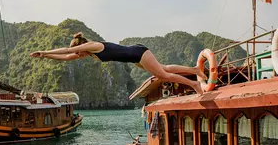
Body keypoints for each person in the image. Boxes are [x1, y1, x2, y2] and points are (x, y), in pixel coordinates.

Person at [30, 32, 206, 94]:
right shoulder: (89, 54)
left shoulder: (94, 46)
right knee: (165, 69)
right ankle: (196, 70)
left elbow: (67, 51)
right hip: (135, 57)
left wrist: (45, 51)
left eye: (79, 52)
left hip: (138, 53)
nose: (78, 55)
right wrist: (45, 57)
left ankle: (193, 84)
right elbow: (67, 58)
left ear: (82, 46)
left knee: (163, 75)